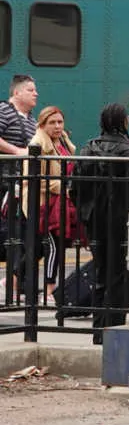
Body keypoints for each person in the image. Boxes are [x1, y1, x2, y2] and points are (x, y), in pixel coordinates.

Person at [72, 103, 129, 334]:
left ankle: (99, 329)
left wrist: (85, 213)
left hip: (95, 222)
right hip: (124, 224)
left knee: (101, 272)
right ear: (124, 122)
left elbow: (75, 188)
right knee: (121, 275)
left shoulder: (87, 149)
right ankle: (114, 328)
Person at [25, 106, 77, 295]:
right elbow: (35, 179)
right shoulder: (37, 144)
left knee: (45, 247)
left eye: (60, 122)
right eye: (52, 122)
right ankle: (49, 289)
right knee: (54, 245)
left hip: (59, 203)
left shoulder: (62, 140)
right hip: (43, 203)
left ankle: (12, 282)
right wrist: (66, 188)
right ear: (42, 124)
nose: (57, 126)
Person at [0, 75, 38, 298]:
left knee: (24, 231)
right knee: (13, 230)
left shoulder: (32, 120)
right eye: (31, 90)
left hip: (22, 183)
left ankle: (19, 283)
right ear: (17, 93)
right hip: (6, 182)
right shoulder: (4, 111)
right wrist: (16, 151)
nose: (36, 94)